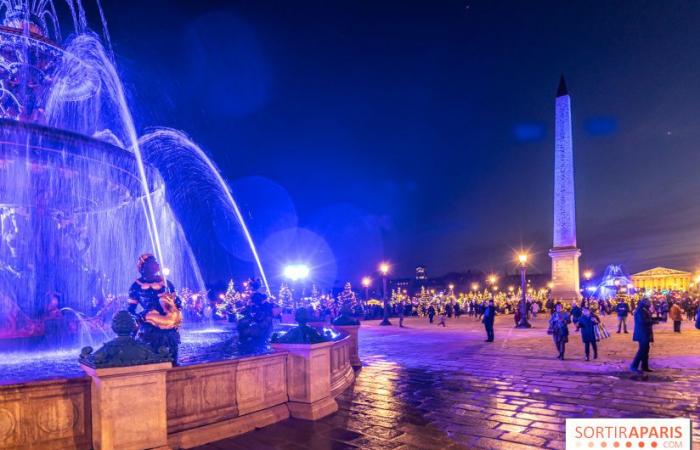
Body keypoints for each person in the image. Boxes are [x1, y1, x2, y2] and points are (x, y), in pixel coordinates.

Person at [128, 254, 183, 364]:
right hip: (148, 325)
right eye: (153, 262)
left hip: (168, 325)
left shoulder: (166, 283)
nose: (157, 264)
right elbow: (130, 310)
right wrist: (138, 317)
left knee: (172, 357)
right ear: (143, 267)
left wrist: (176, 305)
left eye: (156, 262)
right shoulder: (136, 286)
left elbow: (177, 303)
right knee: (151, 358)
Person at [630, 298, 655, 374]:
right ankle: (634, 366)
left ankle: (644, 366)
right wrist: (653, 322)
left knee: (646, 349)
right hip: (642, 333)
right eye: (649, 303)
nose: (650, 304)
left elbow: (647, 318)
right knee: (642, 350)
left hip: (645, 332)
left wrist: (655, 319)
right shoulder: (640, 311)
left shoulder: (644, 310)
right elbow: (643, 321)